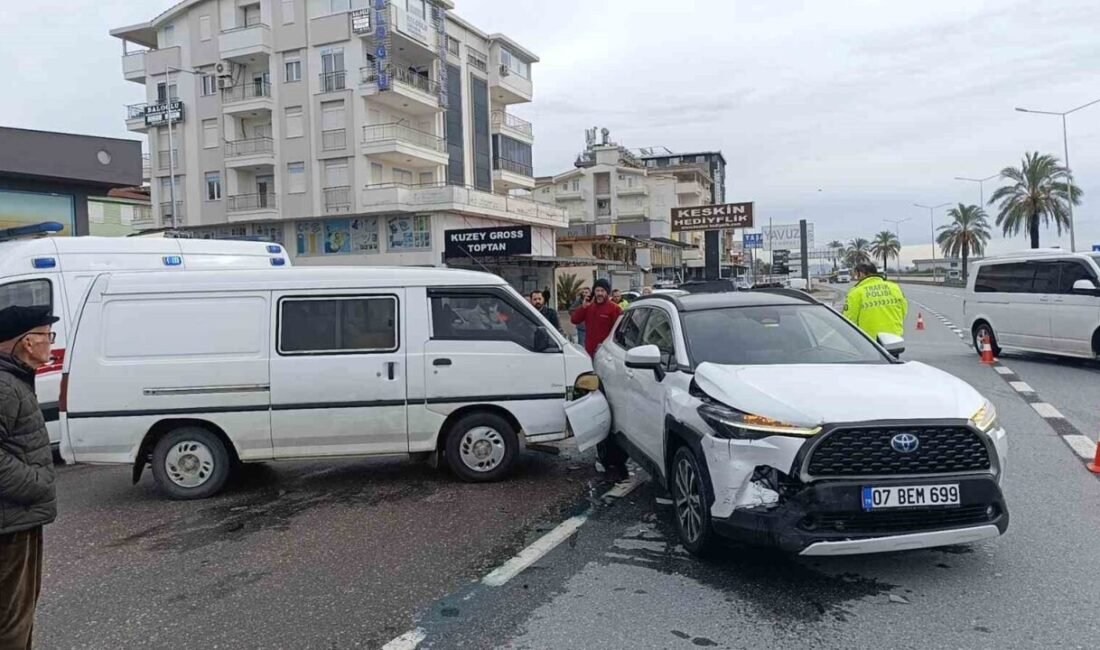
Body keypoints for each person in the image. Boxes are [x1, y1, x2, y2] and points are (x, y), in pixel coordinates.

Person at [0, 305, 59, 650]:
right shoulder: (5, 386)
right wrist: (36, 484)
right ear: (26, 343)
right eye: (46, 336)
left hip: (18, 518)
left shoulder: (14, 381)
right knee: (12, 619)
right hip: (10, 523)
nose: (51, 343)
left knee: (18, 613)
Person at [843, 261, 908, 339]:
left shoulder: (855, 293)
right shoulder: (895, 288)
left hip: (870, 342)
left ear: (861, 273)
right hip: (895, 338)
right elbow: (904, 310)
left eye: (857, 274)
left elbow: (849, 320)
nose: (856, 277)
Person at [571, 279, 623, 358]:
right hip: (589, 351)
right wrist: (583, 307)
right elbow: (574, 320)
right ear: (594, 292)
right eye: (597, 290)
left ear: (607, 292)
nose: (599, 293)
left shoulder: (615, 309)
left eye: (602, 291)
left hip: (605, 352)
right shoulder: (588, 307)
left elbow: (619, 331)